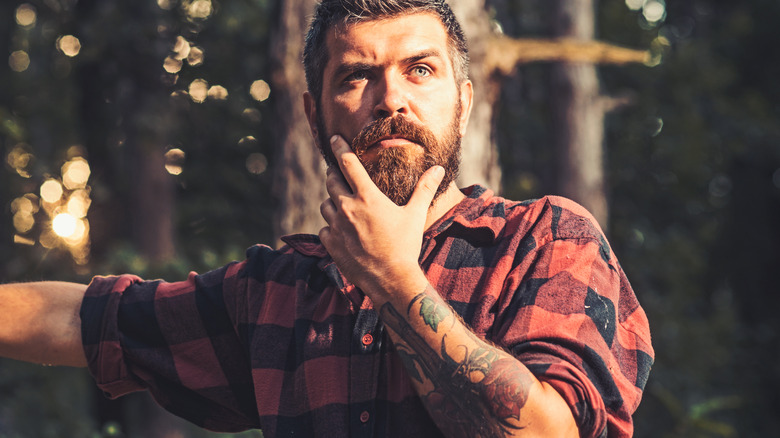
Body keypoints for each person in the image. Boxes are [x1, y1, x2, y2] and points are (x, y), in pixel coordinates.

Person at [0, 0, 653, 437]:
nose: (390, 98)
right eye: (357, 76)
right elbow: (83, 320)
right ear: (314, 115)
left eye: (419, 69)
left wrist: (396, 280)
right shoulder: (278, 290)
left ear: (464, 100)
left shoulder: (546, 238)